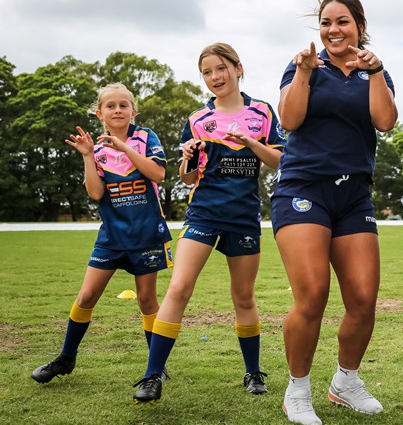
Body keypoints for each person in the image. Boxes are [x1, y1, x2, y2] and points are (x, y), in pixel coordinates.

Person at [272, 0, 398, 425]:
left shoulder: (374, 71)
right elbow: (289, 120)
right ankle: (298, 390)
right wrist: (305, 73)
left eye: (342, 22)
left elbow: (385, 121)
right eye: (326, 22)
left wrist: (376, 70)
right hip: (303, 189)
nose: (333, 30)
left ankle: (345, 382)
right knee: (312, 295)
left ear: (359, 25)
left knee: (363, 299)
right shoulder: (303, 65)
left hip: (354, 195)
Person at [133, 43, 283, 403]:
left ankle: (253, 373)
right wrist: (187, 157)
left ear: (237, 67)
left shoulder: (261, 111)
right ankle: (153, 376)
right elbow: (187, 178)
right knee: (180, 287)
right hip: (203, 213)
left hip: (244, 216)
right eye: (207, 72)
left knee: (243, 295)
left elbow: (279, 160)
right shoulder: (198, 118)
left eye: (221, 68)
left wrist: (250, 141)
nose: (215, 77)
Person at [32, 83, 172, 384]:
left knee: (147, 300)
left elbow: (158, 174)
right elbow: (96, 194)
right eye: (111, 106)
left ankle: (155, 368)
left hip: (146, 234)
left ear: (134, 111)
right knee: (86, 296)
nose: (118, 110)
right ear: (100, 113)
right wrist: (86, 156)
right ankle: (66, 357)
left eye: (124, 105)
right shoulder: (95, 150)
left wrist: (124, 147)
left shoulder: (146, 137)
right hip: (111, 236)